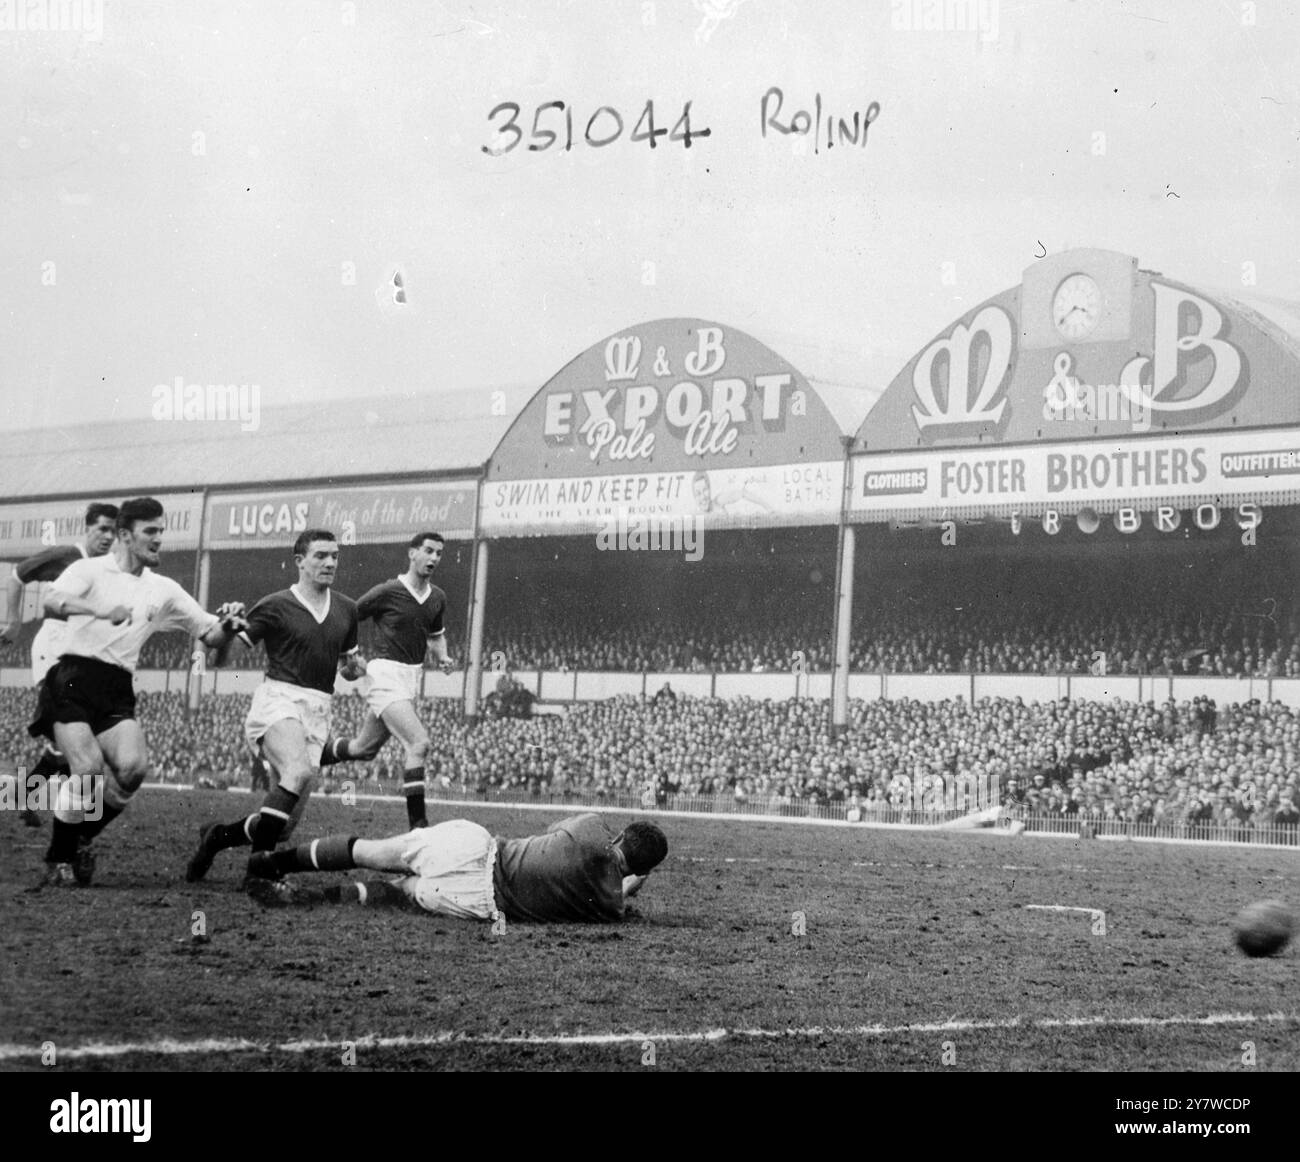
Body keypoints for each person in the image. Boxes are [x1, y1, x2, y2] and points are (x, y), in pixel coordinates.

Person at [29, 497, 246, 886]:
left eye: (161, 531)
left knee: (132, 769)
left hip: (117, 687)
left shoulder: (163, 589)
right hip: (72, 677)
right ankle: (57, 859)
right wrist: (98, 611)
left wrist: (228, 627)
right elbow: (51, 600)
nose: (159, 539)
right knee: (88, 768)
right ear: (125, 535)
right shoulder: (89, 570)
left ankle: (79, 838)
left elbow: (210, 637)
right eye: (151, 531)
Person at [185, 529, 363, 893]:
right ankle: (258, 872)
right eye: (320, 556)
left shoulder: (347, 609)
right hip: (279, 699)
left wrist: (354, 669)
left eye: (335, 556)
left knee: (282, 826)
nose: (330, 562)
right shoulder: (275, 604)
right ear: (299, 561)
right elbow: (228, 660)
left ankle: (217, 837)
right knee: (296, 772)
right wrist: (229, 633)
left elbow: (347, 664)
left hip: (319, 709)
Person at [244, 812, 668, 922]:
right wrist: (629, 884)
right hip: (481, 900)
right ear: (642, 869)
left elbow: (555, 831)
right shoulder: (610, 904)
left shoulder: (592, 828)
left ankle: (273, 861)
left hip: (477, 849)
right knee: (403, 892)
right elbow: (616, 896)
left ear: (619, 838)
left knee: (369, 850)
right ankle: (311, 899)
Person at [315, 532, 456, 829]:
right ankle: (419, 827)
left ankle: (309, 754)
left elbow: (436, 635)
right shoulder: (388, 591)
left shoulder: (438, 598)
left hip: (409, 679)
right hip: (384, 675)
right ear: (412, 553)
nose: (434, 558)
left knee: (362, 749)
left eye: (439, 553)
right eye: (428, 551)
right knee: (419, 743)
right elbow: (347, 616)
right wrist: (348, 656)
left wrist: (442, 656)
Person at [1, 502, 119, 825]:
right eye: (102, 529)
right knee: (80, 737)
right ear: (88, 528)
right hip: (53, 646)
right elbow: (16, 575)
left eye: (113, 531)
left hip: (80, 653)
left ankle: (23, 794)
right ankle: (74, 828)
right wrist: (13, 622)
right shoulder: (68, 556)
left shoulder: (106, 570)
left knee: (68, 741)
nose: (108, 537)